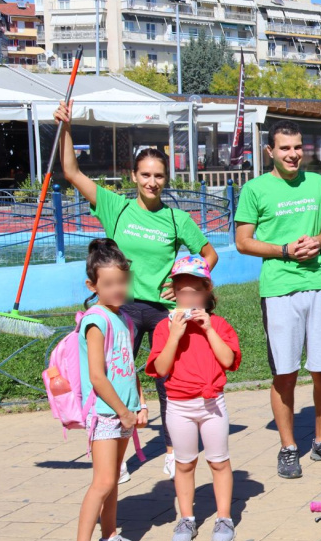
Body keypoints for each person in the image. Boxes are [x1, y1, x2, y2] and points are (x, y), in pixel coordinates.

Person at [56, 100, 219, 482]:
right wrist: (65, 127)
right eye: (145, 174)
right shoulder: (115, 208)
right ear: (133, 176)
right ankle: (118, 451)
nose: (152, 182)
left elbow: (208, 254)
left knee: (167, 378)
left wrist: (183, 278)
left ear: (166, 178)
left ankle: (169, 450)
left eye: (159, 175)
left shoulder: (177, 218)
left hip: (163, 309)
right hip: (124, 309)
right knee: (117, 374)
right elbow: (70, 171)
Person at [235, 119, 321, 479]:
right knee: (284, 373)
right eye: (285, 148)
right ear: (270, 151)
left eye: (298, 147)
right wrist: (283, 250)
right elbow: (243, 241)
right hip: (279, 289)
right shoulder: (255, 189)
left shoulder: (316, 183)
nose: (293, 154)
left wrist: (319, 241)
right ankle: (288, 448)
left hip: (319, 285)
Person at [65, 239, 151, 541]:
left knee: (113, 479)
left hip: (124, 413)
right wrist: (122, 411)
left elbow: (128, 368)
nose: (117, 289)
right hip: (104, 413)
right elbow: (98, 377)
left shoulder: (124, 319)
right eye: (108, 284)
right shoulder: (96, 320)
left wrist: (140, 404)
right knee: (102, 482)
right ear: (92, 286)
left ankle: (111, 540)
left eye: (121, 282)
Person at [145, 256, 242, 541]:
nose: (188, 299)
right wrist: (175, 333)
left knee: (218, 461)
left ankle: (223, 517)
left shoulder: (220, 325)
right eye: (182, 292)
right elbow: (160, 369)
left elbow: (228, 360)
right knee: (184, 464)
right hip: (178, 406)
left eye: (194, 292)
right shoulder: (165, 328)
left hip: (212, 405)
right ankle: (186, 518)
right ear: (174, 292)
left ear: (206, 292)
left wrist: (208, 328)